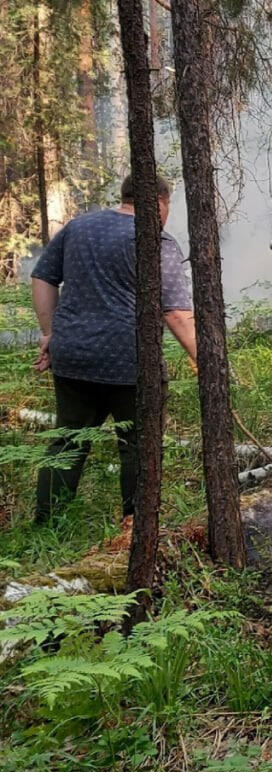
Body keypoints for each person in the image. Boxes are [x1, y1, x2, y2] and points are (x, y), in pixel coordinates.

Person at [29, 173, 197, 525]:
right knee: (138, 446)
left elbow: (42, 275)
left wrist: (49, 332)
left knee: (67, 442)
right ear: (160, 202)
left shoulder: (79, 227)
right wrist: (206, 361)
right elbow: (177, 313)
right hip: (131, 364)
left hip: (72, 356)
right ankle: (136, 529)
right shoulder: (156, 240)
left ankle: (47, 525)